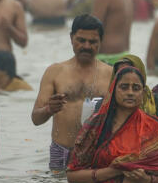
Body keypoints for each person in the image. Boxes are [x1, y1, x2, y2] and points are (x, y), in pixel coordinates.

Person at [66, 66, 158, 183]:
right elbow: (72, 176)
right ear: (113, 90)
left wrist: (147, 179)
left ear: (143, 93)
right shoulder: (96, 125)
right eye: (124, 87)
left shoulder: (153, 127)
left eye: (136, 88)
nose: (130, 93)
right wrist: (114, 171)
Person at [31, 14, 114, 171]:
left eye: (93, 42)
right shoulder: (55, 72)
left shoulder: (111, 74)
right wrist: (49, 109)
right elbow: (36, 118)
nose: (87, 46)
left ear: (101, 42)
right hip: (62, 151)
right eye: (81, 40)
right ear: (71, 38)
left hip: (97, 153)